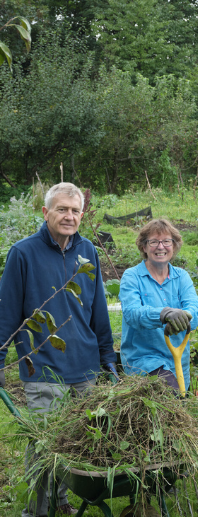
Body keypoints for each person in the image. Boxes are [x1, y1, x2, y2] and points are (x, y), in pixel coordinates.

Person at [0, 182, 116, 517]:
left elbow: (98, 310)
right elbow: (7, 312)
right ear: (45, 212)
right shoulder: (23, 253)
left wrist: (107, 358)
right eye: (61, 209)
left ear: (82, 214)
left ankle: (62, 499)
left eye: (75, 210)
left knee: (79, 441)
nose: (69, 216)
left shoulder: (88, 252)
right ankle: (36, 510)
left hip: (86, 364)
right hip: (44, 366)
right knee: (44, 446)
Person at [119, 219, 198, 390]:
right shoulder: (132, 277)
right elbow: (132, 313)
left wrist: (185, 317)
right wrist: (164, 314)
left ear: (174, 246)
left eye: (166, 241)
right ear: (144, 247)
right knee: (170, 394)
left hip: (177, 360)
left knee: (180, 407)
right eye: (154, 242)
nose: (161, 247)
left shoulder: (182, 277)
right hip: (144, 360)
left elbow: (195, 309)